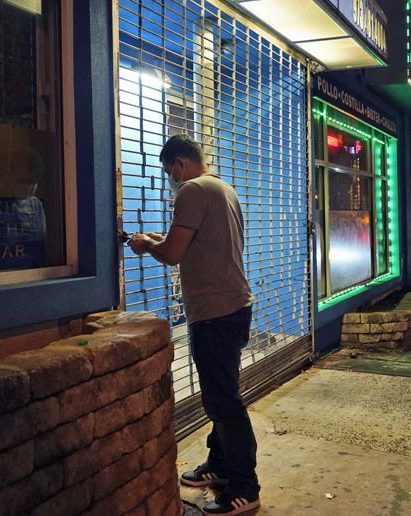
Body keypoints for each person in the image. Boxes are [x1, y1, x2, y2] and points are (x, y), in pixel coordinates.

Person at [129, 135, 258, 516]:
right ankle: (218, 466)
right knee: (220, 395)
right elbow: (194, 244)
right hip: (233, 306)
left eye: (169, 172)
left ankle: (244, 488)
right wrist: (153, 238)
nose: (170, 179)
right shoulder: (222, 188)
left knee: (224, 402)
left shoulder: (190, 191)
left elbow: (171, 254)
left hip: (215, 312)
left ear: (180, 164)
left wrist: (148, 245)